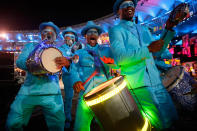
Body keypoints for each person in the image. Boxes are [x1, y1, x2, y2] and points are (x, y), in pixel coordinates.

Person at [109, 0, 183, 129]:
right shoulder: (116, 30)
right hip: (139, 84)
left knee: (173, 118)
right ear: (118, 12)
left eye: (131, 4)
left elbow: (158, 51)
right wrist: (148, 49)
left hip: (156, 81)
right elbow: (120, 57)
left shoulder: (142, 28)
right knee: (159, 124)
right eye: (124, 5)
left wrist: (169, 28)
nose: (129, 6)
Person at [6, 22, 70, 131]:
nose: (48, 34)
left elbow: (67, 68)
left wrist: (67, 63)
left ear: (55, 36)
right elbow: (20, 62)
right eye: (45, 32)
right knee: (13, 122)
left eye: (51, 33)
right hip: (29, 91)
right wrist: (33, 64)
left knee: (58, 124)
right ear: (41, 35)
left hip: (52, 93)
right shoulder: (31, 46)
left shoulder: (60, 51)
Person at [70, 21, 113, 131]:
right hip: (86, 93)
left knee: (109, 124)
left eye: (95, 32)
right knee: (81, 126)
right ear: (85, 36)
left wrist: (111, 63)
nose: (92, 34)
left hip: (105, 92)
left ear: (98, 36)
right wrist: (76, 81)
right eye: (89, 33)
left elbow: (118, 63)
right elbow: (73, 69)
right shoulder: (79, 53)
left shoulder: (107, 50)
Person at [60, 26, 82, 128]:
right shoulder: (61, 49)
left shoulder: (78, 47)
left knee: (82, 97)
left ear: (74, 38)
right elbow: (62, 62)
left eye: (71, 36)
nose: (69, 38)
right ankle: (67, 120)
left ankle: (83, 118)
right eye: (67, 36)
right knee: (68, 98)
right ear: (64, 38)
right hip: (68, 76)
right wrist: (70, 58)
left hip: (80, 75)